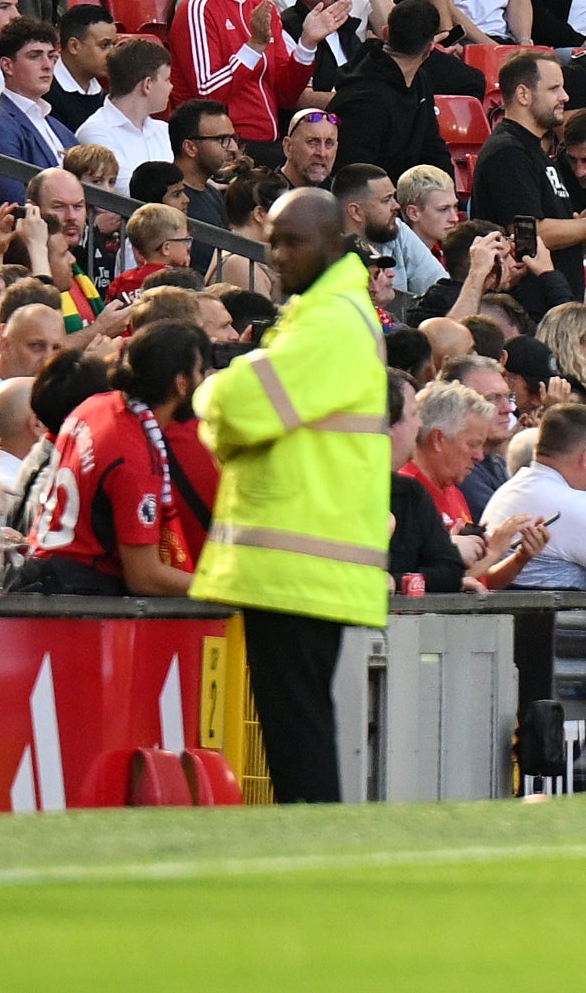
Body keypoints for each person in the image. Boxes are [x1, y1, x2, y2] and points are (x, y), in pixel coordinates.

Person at [192, 183, 388, 804]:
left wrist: (212, 394)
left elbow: (243, 404)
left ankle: (317, 855)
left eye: (294, 243)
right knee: (294, 725)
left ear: (336, 243)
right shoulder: (324, 314)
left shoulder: (333, 320)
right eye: (273, 242)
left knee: (297, 728)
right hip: (302, 560)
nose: (278, 256)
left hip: (301, 562)